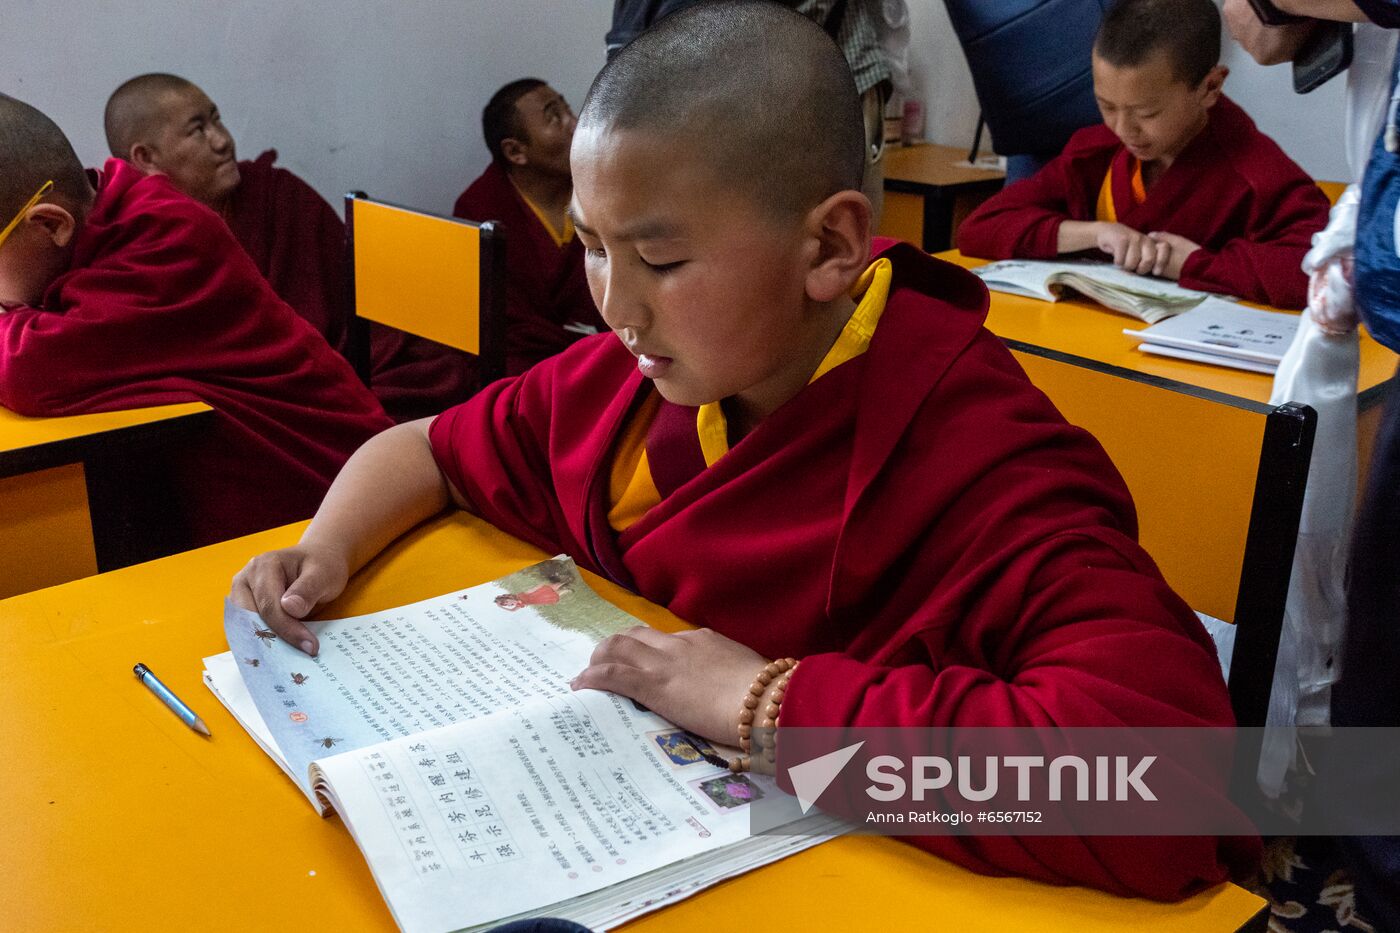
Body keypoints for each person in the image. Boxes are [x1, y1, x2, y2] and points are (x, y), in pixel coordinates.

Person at [232, 1, 1256, 899]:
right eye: (591, 246)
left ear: (827, 246)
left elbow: (1172, 787)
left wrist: (768, 704)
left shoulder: (972, 449)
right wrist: (327, 547)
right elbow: (433, 448)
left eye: (660, 259)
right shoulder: (632, 375)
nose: (616, 307)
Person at [0, 94, 392, 549]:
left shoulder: (167, 240)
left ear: (50, 225)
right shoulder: (108, 225)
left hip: (343, 507)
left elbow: (26, 368)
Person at [104, 73, 477, 423]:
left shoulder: (278, 196)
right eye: (198, 130)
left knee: (437, 375)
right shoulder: (131, 236)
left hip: (331, 375)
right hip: (239, 406)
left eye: (217, 120)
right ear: (145, 159)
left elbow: (359, 308)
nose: (222, 140)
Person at [956, 0, 1331, 310]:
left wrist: (1192, 263)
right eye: (1107, 106)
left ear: (1210, 87)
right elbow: (980, 228)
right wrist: (1098, 234)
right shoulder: (1097, 151)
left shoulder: (1256, 173)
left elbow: (1319, 275)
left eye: (1147, 113)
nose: (1124, 130)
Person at [452, 79, 605, 374]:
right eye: (554, 117)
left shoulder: (597, 187)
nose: (575, 123)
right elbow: (492, 325)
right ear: (515, 152)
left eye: (567, 109)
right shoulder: (480, 208)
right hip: (524, 368)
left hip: (606, 352)